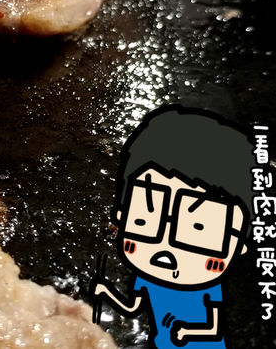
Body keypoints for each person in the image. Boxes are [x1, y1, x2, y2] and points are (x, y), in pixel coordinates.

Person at [93, 105, 254, 348]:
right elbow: (133, 307)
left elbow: (213, 328)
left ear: (238, 245)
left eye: (199, 228)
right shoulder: (145, 277)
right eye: (144, 220)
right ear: (122, 215)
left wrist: (188, 331)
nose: (165, 250)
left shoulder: (208, 287)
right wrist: (106, 292)